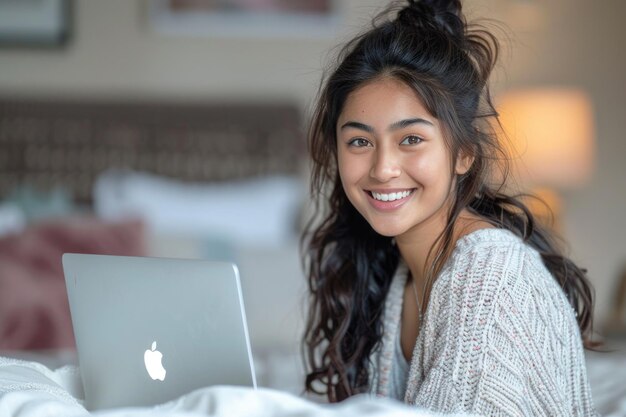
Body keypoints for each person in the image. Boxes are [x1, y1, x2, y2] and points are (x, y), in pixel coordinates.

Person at [301, 0, 598, 415]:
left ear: (463, 154)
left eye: (411, 139)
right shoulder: (397, 273)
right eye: (360, 141)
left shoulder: (491, 279)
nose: (383, 169)